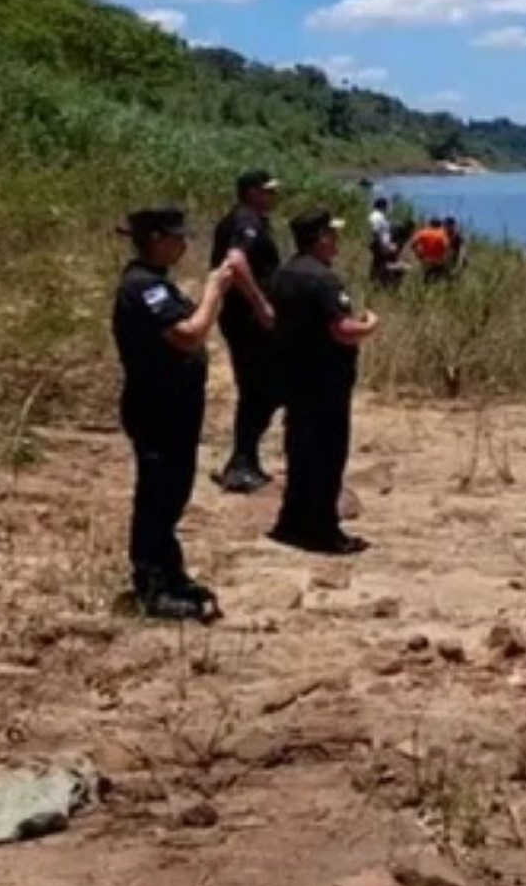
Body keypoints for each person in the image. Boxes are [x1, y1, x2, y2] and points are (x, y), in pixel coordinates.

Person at [113, 208, 233, 621]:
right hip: (156, 407)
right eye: (178, 238)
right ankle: (151, 584)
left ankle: (169, 570)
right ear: (157, 239)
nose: (184, 245)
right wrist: (214, 291)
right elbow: (187, 335)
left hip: (175, 407)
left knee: (173, 489)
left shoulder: (157, 283)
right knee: (158, 494)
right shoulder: (144, 287)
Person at [269, 210, 379, 555]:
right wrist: (369, 326)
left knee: (300, 450)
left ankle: (292, 522)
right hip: (325, 380)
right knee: (327, 456)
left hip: (293, 375)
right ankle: (321, 530)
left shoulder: (283, 273)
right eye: (332, 235)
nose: (337, 241)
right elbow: (341, 330)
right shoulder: (324, 280)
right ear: (320, 239)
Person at [209, 170, 282, 494]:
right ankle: (241, 464)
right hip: (247, 319)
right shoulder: (246, 221)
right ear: (251, 192)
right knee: (258, 390)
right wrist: (260, 305)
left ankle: (246, 459)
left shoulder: (251, 219)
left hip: (246, 318)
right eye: (267, 190)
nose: (273, 196)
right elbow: (236, 261)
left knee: (262, 390)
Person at [412, 217, 453, 282]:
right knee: (448, 279)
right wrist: (444, 259)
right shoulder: (442, 234)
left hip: (426, 261)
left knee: (424, 279)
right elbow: (447, 247)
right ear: (439, 225)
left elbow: (413, 243)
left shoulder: (422, 232)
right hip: (438, 262)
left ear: (430, 224)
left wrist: (419, 255)